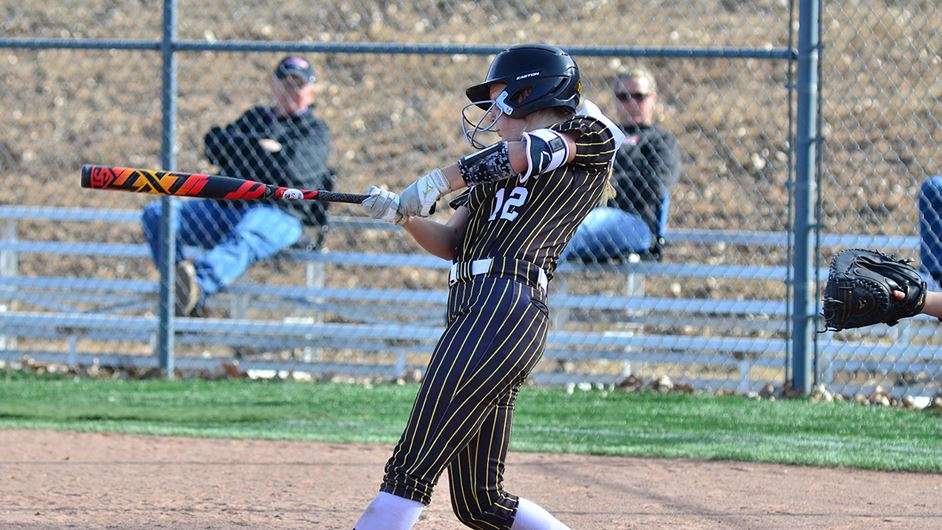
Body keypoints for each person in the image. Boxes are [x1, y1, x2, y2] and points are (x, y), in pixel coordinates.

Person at [354, 44, 624, 530]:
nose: (492, 116)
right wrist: (403, 216)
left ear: (531, 92)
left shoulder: (590, 132)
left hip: (504, 306)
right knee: (480, 502)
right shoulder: (491, 169)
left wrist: (440, 179)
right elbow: (453, 242)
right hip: (475, 310)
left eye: (500, 101)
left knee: (411, 467)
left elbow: (533, 152)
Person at [141, 56, 332, 316]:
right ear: (273, 84)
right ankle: (179, 289)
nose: (290, 91)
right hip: (226, 207)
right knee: (158, 215)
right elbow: (214, 143)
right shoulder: (256, 118)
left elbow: (293, 170)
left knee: (247, 235)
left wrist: (246, 152)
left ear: (310, 91)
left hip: (280, 214)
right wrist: (265, 149)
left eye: (298, 85)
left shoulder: (315, 131)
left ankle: (195, 286)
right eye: (285, 83)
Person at [563, 66, 681, 262]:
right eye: (623, 97)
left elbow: (655, 187)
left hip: (635, 222)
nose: (631, 103)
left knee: (563, 231)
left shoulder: (661, 140)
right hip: (586, 213)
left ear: (653, 98)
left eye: (639, 96)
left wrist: (605, 184)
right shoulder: (602, 134)